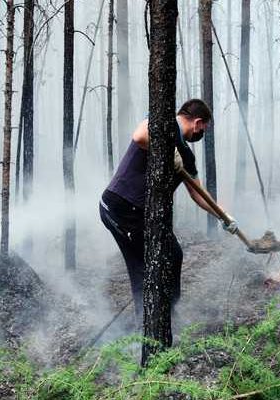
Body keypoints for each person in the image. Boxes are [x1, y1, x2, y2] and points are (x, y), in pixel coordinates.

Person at [99, 99, 236, 323]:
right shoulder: (161, 123)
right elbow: (140, 137)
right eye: (203, 129)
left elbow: (197, 192)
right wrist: (165, 151)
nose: (202, 133)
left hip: (136, 213)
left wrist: (223, 215)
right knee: (150, 264)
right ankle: (157, 321)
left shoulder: (187, 156)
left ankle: (164, 314)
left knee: (169, 256)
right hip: (120, 207)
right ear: (197, 122)